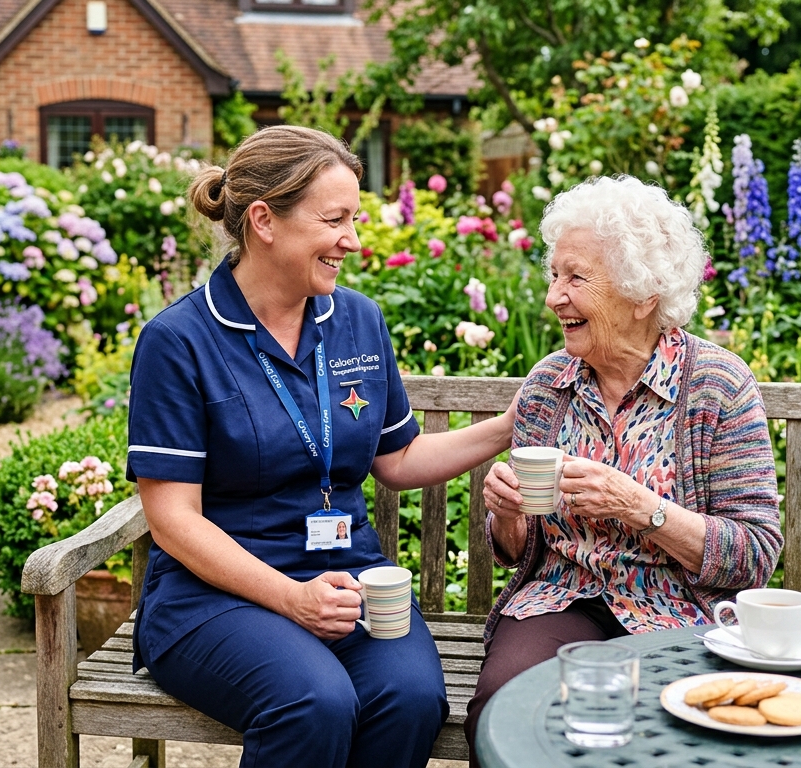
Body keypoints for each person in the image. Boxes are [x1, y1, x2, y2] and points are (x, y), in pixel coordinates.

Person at [127, 125, 515, 768]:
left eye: (353, 219)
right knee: (314, 701)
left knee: (410, 697)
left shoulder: (358, 319)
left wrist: (508, 425)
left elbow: (397, 459)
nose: (353, 240)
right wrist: (291, 598)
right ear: (263, 221)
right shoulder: (178, 341)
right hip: (212, 595)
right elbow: (172, 520)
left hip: (347, 581)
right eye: (334, 220)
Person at [467, 176, 782, 760]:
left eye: (575, 278)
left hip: (681, 611)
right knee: (504, 707)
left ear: (643, 295)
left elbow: (755, 554)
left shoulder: (717, 386)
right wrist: (507, 516)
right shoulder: (547, 386)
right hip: (560, 598)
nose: (553, 297)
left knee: (674, 733)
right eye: (554, 275)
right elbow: (518, 550)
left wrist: (641, 507)